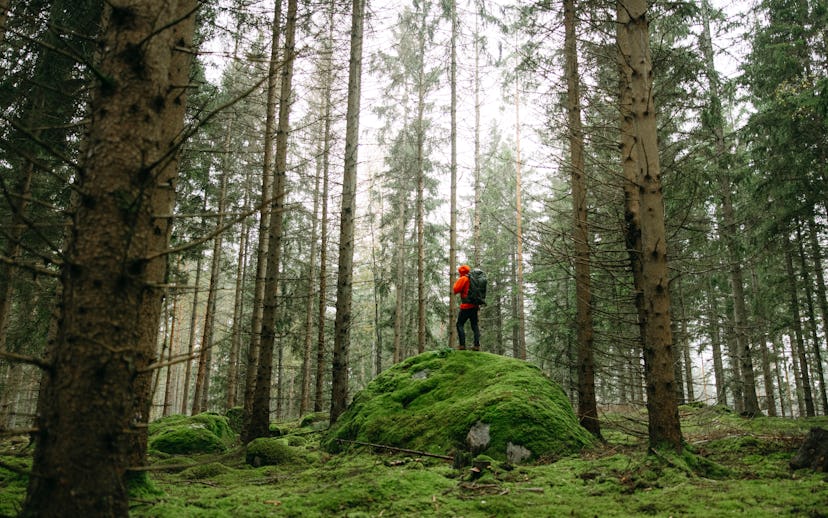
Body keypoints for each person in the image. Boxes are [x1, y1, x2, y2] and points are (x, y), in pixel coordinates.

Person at [453, 264, 481, 351]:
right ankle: (477, 345)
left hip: (466, 307)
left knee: (460, 324)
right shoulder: (474, 279)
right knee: (474, 325)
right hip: (475, 306)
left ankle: (462, 345)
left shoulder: (463, 278)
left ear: (461, 272)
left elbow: (455, 289)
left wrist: (458, 281)